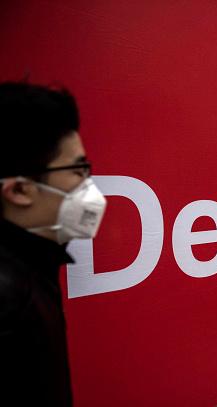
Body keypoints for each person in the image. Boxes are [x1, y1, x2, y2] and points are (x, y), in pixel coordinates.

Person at [0, 82, 107, 406]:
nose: (89, 185)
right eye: (77, 169)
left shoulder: (32, 267)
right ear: (19, 191)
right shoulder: (10, 303)